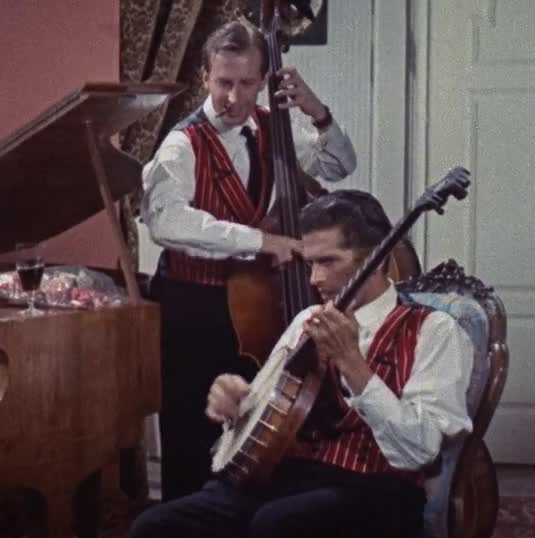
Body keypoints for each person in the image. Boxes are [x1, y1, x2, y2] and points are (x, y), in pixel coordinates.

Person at [129, 190, 474, 538]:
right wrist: (238, 404)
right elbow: (268, 410)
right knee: (155, 527)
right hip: (293, 475)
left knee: (277, 524)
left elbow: (420, 451)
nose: (314, 279)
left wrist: (352, 362)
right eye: (311, 264)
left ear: (378, 258)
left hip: (381, 487)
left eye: (329, 262)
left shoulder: (435, 331)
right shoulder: (307, 320)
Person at [141, 19, 358, 500]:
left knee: (250, 430)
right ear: (204, 76)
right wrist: (263, 242)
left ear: (263, 81)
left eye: (245, 84)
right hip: (193, 305)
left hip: (256, 306)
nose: (233, 98)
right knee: (194, 432)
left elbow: (339, 165)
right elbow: (168, 222)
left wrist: (317, 112)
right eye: (223, 83)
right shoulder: (181, 144)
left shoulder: (270, 126)